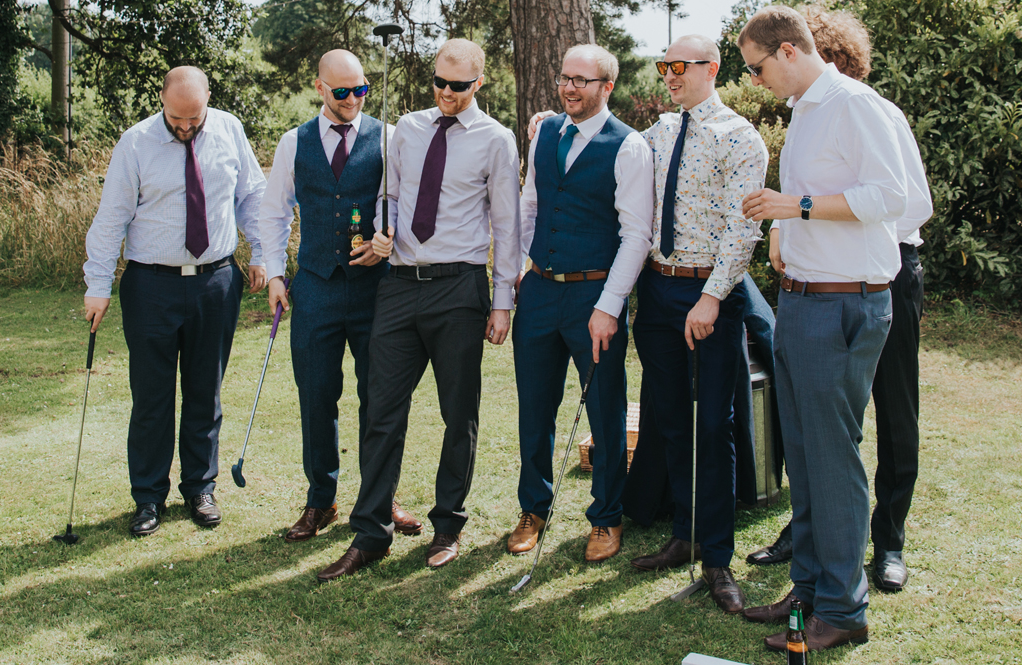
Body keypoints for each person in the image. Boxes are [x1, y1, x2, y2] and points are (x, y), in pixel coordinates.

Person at [735, 6, 910, 652]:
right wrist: (785, 224)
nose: (754, 81)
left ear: (786, 51)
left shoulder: (854, 104)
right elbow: (810, 191)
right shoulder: (805, 109)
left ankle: (843, 606)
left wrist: (795, 206)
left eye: (755, 67)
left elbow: (889, 197)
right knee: (804, 458)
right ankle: (806, 591)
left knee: (833, 462)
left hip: (845, 306)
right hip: (802, 301)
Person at [316, 39, 519, 580]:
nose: (446, 93)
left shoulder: (498, 141)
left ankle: (448, 525)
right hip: (400, 285)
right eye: (439, 82)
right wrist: (384, 233)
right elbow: (392, 197)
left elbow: (508, 224)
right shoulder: (407, 128)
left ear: (479, 83)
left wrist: (502, 302)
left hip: (460, 287)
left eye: (458, 85)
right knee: (381, 409)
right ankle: (371, 532)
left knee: (459, 413)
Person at [83, 66, 268, 536]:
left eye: (194, 119)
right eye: (176, 119)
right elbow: (111, 219)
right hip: (151, 285)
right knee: (152, 395)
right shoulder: (136, 142)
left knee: (206, 391)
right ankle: (148, 497)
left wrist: (264, 253)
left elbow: (252, 197)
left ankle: (199, 487)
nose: (186, 128)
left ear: (208, 99)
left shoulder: (229, 130)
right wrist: (98, 285)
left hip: (216, 281)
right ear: (162, 99)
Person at [627, 35, 767, 615]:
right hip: (656, 290)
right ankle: (683, 531)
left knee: (714, 424)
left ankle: (717, 558)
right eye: (664, 66)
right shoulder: (658, 133)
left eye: (679, 66)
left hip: (710, 292)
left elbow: (744, 230)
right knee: (671, 420)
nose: (669, 75)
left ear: (712, 68)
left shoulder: (740, 137)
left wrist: (710, 299)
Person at [256, 49, 421, 542]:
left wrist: (389, 239)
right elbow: (273, 213)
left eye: (361, 90)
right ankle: (320, 500)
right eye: (343, 92)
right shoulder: (294, 142)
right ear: (320, 88)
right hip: (315, 288)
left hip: (378, 292)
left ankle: (381, 497)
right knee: (316, 397)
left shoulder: (390, 139)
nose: (354, 100)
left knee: (382, 398)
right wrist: (276, 276)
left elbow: (405, 204)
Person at [507, 44, 652, 564]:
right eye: (565, 78)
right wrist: (520, 272)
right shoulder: (546, 131)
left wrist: (609, 305)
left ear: (607, 87)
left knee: (605, 409)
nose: (570, 88)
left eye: (582, 81)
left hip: (595, 294)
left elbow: (637, 235)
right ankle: (533, 510)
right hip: (540, 289)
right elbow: (530, 204)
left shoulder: (629, 147)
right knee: (534, 408)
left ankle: (607, 517)